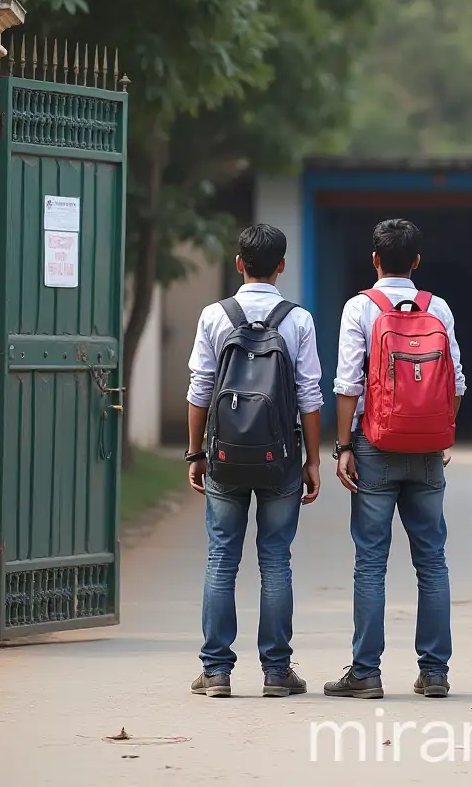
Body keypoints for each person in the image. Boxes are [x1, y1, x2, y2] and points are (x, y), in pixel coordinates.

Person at [325, 219, 465, 700]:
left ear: (374, 259)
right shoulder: (438, 307)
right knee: (433, 562)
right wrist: (441, 434)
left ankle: (366, 672)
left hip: (375, 445)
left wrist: (344, 446)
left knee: (371, 563)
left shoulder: (359, 307)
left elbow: (348, 384)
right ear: (417, 262)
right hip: (427, 449)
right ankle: (435, 672)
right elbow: (457, 383)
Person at [186, 224, 323, 699]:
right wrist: (313, 460)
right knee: (276, 561)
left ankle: (217, 671)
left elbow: (200, 387)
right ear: (281, 266)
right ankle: (276, 671)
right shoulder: (298, 320)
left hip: (224, 455)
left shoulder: (214, 316)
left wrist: (196, 452)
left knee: (222, 558)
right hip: (280, 456)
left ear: (239, 263)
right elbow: (309, 394)